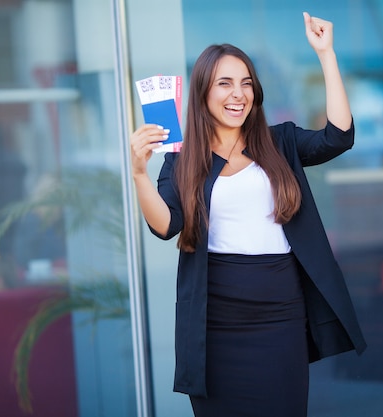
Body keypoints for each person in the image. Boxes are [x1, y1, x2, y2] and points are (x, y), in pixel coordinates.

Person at [130, 12, 366, 417]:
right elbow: (167, 225)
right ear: (203, 92)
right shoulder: (184, 160)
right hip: (214, 323)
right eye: (224, 83)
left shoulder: (282, 142)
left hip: (280, 316)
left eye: (246, 84)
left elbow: (337, 136)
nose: (238, 94)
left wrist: (325, 54)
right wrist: (138, 173)